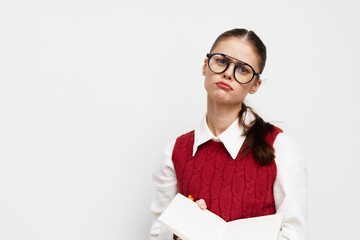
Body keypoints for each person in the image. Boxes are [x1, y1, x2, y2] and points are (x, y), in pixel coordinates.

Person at [149, 28, 307, 240]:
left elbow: (294, 234)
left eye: (243, 69)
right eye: (221, 61)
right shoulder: (175, 151)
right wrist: (178, 232)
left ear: (255, 85)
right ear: (205, 66)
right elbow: (158, 232)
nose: (228, 73)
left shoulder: (280, 147)